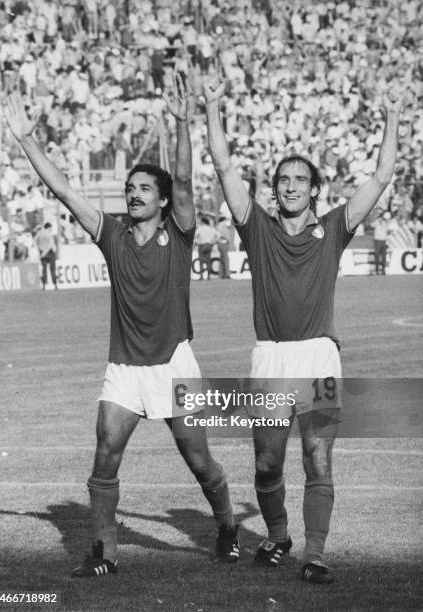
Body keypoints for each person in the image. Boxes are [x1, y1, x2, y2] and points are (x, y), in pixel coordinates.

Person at [2, 76, 239, 578]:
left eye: (144, 189)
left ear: (162, 199)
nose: (133, 195)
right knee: (105, 454)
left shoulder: (179, 234)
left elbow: (188, 183)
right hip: (125, 368)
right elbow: (64, 189)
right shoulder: (111, 234)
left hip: (174, 364)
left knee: (199, 462)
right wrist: (26, 141)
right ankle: (104, 552)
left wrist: (179, 122)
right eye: (130, 189)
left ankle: (226, 526)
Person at [204, 73, 403, 584]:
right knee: (268, 464)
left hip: (318, 357)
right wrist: (212, 109)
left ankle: (314, 552)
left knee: (318, 457)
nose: (290, 187)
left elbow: (380, 178)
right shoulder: (258, 228)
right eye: (283, 181)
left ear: (315, 189)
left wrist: (392, 118)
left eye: (300, 180)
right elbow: (224, 165)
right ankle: (277, 534)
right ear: (274, 191)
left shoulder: (334, 227)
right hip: (271, 359)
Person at [35, 222, 58, 289]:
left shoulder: (39, 233)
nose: (51, 229)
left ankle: (44, 285)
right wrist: (45, 252)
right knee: (52, 269)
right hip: (49, 253)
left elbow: (35, 241)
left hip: (42, 253)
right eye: (51, 228)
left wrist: (39, 251)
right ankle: (55, 285)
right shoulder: (49, 234)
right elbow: (51, 244)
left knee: (44, 269)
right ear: (48, 227)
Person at [216, 215, 232, 279]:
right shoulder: (221, 226)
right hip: (223, 243)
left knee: (222, 259)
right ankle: (227, 274)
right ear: (223, 220)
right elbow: (222, 235)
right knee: (226, 259)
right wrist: (228, 240)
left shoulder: (219, 226)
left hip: (221, 243)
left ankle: (221, 274)